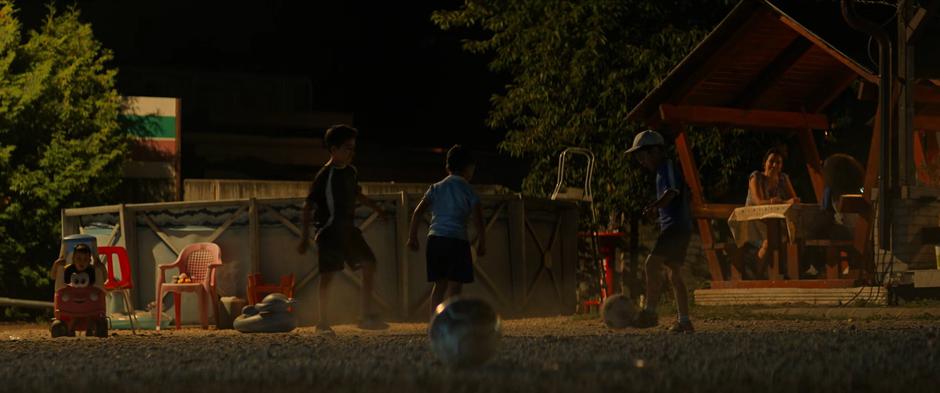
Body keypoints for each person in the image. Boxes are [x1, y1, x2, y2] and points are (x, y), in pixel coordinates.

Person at [297, 124, 389, 334]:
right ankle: (322, 322)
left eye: (353, 148)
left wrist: (378, 210)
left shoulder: (351, 172)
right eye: (347, 148)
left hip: (348, 231)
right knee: (328, 276)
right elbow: (307, 206)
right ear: (333, 149)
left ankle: (365, 316)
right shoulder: (324, 175)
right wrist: (303, 238)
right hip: (329, 232)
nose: (351, 153)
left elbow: (358, 194)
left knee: (369, 263)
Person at [626, 130, 695, 333]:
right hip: (677, 226)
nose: (640, 161)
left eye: (642, 155)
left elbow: (672, 192)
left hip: (676, 226)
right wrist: (658, 210)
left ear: (655, 151)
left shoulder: (667, 167)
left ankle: (650, 313)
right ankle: (684, 321)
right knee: (674, 274)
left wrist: (655, 206)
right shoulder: (660, 173)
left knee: (651, 264)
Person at [406, 145, 486, 317]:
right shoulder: (468, 189)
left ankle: (434, 323)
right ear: (469, 168)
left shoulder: (436, 187)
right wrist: (482, 241)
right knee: (455, 286)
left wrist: (412, 237)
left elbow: (418, 212)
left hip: (435, 240)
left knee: (439, 286)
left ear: (447, 167)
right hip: (458, 241)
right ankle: (452, 322)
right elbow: (478, 218)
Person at [745, 147, 800, 267]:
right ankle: (757, 277)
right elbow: (758, 202)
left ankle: (786, 272)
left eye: (778, 162)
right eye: (771, 161)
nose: (774, 165)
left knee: (796, 236)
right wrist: (783, 203)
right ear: (765, 163)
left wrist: (790, 202)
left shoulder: (783, 178)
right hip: (755, 220)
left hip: (777, 220)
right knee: (770, 240)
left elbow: (794, 200)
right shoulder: (756, 177)